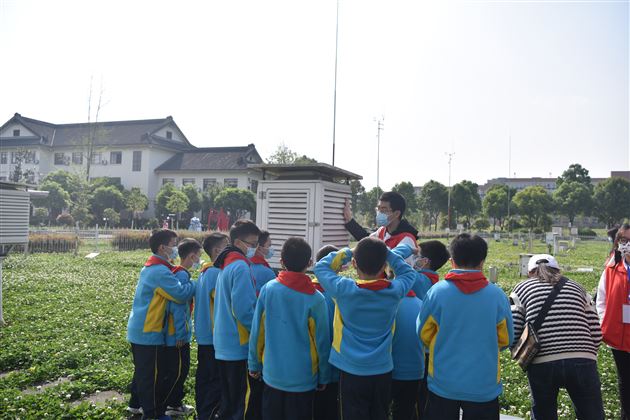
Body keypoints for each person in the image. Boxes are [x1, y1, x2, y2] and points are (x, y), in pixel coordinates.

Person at [314, 237, 417, 420]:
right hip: (382, 369)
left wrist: (348, 251)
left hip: (350, 370)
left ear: (354, 264)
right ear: (384, 265)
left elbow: (321, 267)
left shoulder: (343, 289)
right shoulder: (394, 291)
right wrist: (388, 253)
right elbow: (408, 273)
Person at [417, 233, 513, 420]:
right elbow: (506, 339)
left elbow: (423, 333)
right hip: (483, 384)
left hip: (443, 383)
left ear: (452, 261)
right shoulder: (497, 295)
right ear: (482, 261)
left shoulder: (437, 292)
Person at [512, 254, 604, 420]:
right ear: (557, 270)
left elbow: (514, 331)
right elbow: (596, 334)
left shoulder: (521, 289)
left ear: (530, 272)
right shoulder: (578, 287)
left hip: (542, 361)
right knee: (591, 414)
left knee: (543, 413)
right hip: (583, 358)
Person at [248, 237, 332, 420]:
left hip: (272, 375)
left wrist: (254, 363)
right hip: (303, 379)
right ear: (310, 263)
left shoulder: (268, 290)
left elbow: (257, 331)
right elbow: (322, 342)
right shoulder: (316, 299)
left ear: (281, 262)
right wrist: (324, 375)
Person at [126, 229, 196, 419]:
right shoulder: (159, 271)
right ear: (162, 247)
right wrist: (195, 285)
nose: (175, 248)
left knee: (142, 372)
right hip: (149, 331)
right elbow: (180, 295)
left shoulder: (154, 267)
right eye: (174, 244)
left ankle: (135, 406)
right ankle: (153, 414)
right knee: (151, 377)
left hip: (141, 329)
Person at [390, 240, 450, 420]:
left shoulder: (417, 279)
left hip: (414, 350)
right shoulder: (435, 282)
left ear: (425, 262)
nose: (413, 258)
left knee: (408, 404)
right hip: (428, 350)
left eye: (417, 255)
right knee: (421, 399)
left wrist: (407, 248)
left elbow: (391, 256)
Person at [213, 219, 261, 420]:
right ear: (240, 243)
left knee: (229, 401)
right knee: (242, 403)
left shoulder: (226, 264)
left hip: (224, 343)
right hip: (238, 345)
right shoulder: (240, 266)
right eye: (253, 244)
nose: (255, 248)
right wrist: (259, 332)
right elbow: (243, 311)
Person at [163, 238, 202, 417]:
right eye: (199, 256)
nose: (199, 260)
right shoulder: (182, 275)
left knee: (179, 369)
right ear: (192, 256)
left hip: (177, 334)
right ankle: (172, 404)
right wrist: (181, 333)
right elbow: (177, 308)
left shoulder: (180, 273)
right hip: (176, 336)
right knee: (179, 371)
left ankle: (174, 402)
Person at [597, 223, 630, 420]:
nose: (626, 244)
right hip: (619, 337)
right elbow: (601, 299)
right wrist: (605, 322)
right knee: (625, 381)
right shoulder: (611, 268)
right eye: (623, 240)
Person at [195, 232, 229, 420]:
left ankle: (202, 412)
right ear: (218, 250)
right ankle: (208, 415)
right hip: (214, 337)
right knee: (215, 382)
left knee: (204, 379)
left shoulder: (205, 271)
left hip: (203, 335)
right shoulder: (217, 273)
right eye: (227, 245)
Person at [312, 245, 341, 420]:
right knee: (330, 407)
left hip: (311, 365)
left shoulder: (309, 291)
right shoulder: (338, 293)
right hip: (334, 366)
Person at [343, 191, 418, 255]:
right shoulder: (382, 231)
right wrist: (350, 221)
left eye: (383, 210)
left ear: (396, 214)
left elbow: (402, 269)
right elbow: (366, 241)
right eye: (378, 209)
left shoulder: (406, 240)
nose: (379, 213)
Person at [250, 230, 277, 295]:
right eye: (269, 246)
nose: (271, 249)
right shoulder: (267, 272)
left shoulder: (244, 264)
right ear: (260, 248)